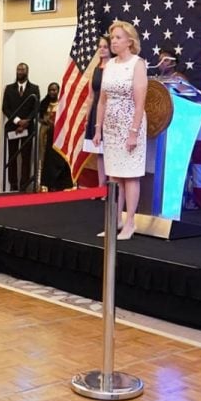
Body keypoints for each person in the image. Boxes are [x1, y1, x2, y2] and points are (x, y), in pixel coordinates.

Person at [92, 21, 148, 240]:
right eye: (112, 37)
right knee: (114, 176)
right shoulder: (110, 65)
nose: (113, 41)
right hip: (111, 127)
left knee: (130, 176)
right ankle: (114, 220)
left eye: (117, 38)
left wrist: (133, 131)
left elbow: (140, 101)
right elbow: (102, 101)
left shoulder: (137, 63)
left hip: (130, 125)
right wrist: (98, 129)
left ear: (129, 41)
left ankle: (130, 222)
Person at [1, 63, 40, 192]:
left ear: (27, 71)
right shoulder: (9, 88)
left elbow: (36, 108)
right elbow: (5, 108)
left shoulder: (34, 88)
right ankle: (13, 184)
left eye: (22, 69)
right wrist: (18, 121)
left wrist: (26, 121)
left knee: (26, 157)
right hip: (13, 127)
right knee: (12, 156)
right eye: (18, 69)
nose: (20, 71)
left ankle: (24, 184)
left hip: (28, 127)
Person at [80, 35, 110, 185]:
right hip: (96, 111)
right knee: (99, 152)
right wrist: (87, 118)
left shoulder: (115, 67)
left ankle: (113, 189)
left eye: (105, 47)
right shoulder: (96, 70)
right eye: (100, 46)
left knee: (110, 152)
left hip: (110, 111)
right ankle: (101, 186)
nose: (102, 49)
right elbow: (91, 96)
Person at [39, 83, 72, 191]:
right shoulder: (44, 103)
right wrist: (45, 120)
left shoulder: (62, 104)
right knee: (45, 158)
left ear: (58, 91)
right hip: (45, 134)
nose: (52, 92)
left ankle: (59, 183)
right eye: (50, 90)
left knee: (59, 158)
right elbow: (39, 118)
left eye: (54, 90)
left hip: (58, 135)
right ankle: (45, 183)